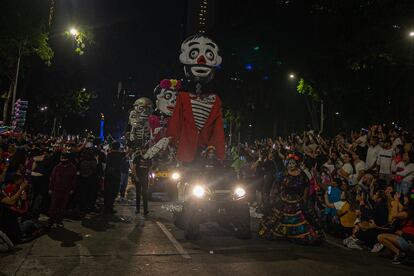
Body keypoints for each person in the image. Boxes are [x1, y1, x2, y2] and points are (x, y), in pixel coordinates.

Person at [258, 153, 323, 244]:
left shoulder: (302, 175)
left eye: (293, 163)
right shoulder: (283, 173)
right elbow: (276, 185)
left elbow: (306, 187)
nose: (290, 165)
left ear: (296, 164)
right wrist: (273, 196)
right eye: (289, 163)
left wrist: (304, 199)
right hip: (283, 199)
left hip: (296, 200)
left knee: (299, 217)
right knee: (278, 217)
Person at [48, 153, 77, 227]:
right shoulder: (57, 167)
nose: (62, 160)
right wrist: (50, 188)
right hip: (56, 189)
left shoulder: (72, 168)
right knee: (53, 206)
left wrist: (72, 189)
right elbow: (52, 178)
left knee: (62, 207)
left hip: (66, 190)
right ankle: (51, 219)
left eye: (64, 158)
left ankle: (59, 220)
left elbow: (73, 179)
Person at [104, 142, 125, 214]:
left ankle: (106, 207)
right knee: (114, 191)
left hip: (108, 174)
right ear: (118, 147)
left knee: (108, 190)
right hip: (116, 175)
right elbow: (128, 152)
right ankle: (110, 207)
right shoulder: (120, 154)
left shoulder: (109, 154)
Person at [132, 148, 151, 215]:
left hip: (145, 179)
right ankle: (137, 209)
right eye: (143, 149)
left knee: (145, 194)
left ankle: (145, 210)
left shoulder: (148, 158)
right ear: (140, 150)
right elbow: (134, 168)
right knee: (138, 194)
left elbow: (150, 168)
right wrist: (135, 176)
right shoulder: (137, 158)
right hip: (138, 178)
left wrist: (149, 176)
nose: (144, 150)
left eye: (145, 149)